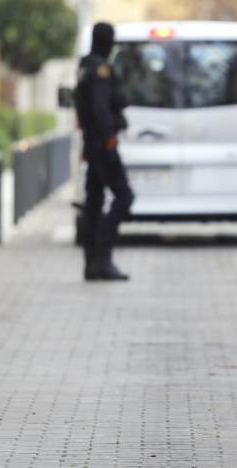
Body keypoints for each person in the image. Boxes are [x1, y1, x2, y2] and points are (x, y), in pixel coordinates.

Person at [74, 22, 134, 281]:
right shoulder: (99, 69)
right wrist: (109, 137)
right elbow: (99, 108)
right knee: (124, 196)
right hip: (102, 144)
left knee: (94, 202)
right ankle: (102, 257)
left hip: (92, 143)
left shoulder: (85, 66)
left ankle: (92, 264)